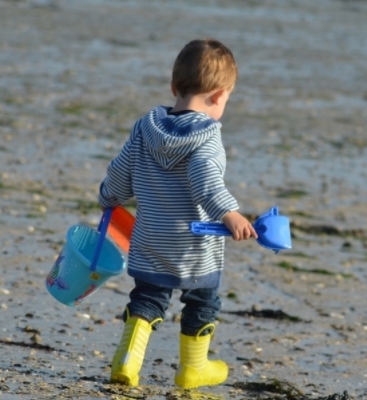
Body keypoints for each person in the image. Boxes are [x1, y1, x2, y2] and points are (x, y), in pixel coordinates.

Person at [97, 38, 257, 389]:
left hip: (151, 237)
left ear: (174, 87)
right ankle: (193, 369)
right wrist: (229, 212)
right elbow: (207, 182)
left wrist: (109, 197)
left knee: (148, 297)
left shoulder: (145, 129)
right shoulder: (207, 138)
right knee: (202, 299)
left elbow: (121, 173)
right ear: (218, 96)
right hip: (194, 245)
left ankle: (127, 360)